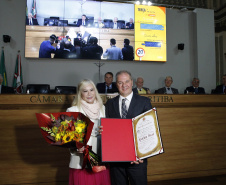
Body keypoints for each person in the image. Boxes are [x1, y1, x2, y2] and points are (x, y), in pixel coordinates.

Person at [105, 70, 152, 185]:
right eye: (120, 82)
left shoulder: (144, 102)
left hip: (137, 160)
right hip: (116, 161)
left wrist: (142, 154)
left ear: (132, 82)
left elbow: (150, 131)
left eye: (126, 81)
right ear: (116, 84)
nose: (124, 85)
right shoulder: (109, 104)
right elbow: (108, 132)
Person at [66, 79, 111, 185]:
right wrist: (76, 147)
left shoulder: (103, 108)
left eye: (92, 90)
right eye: (85, 91)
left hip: (100, 158)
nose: (89, 94)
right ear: (80, 93)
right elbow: (68, 138)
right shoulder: (72, 110)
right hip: (81, 160)